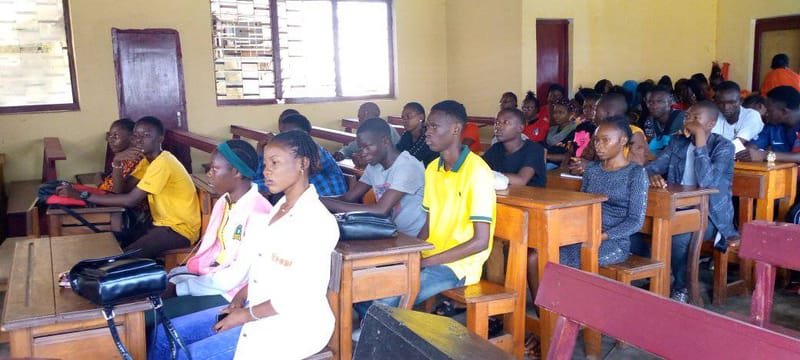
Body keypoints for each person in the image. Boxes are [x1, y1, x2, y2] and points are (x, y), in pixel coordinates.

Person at [149, 131, 338, 360]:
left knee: (190, 355)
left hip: (291, 325)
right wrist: (239, 298)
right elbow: (262, 267)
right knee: (163, 335)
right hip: (256, 306)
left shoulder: (316, 221)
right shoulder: (280, 208)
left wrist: (245, 315)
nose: (266, 171)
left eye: (275, 163)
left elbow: (297, 297)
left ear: (303, 163)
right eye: (265, 163)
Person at [357, 100, 496, 319]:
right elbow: (428, 226)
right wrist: (412, 255)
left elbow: (480, 241)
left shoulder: (477, 172)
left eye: (433, 127)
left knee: (385, 301)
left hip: (458, 265)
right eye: (427, 127)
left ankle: (378, 337)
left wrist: (425, 262)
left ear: (455, 129)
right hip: (429, 254)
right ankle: (382, 331)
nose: (427, 133)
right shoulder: (432, 169)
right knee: (363, 289)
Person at [525, 116, 648, 355]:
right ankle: (548, 325)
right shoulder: (592, 170)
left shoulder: (636, 174)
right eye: (596, 140)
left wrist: (603, 235)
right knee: (534, 257)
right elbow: (583, 207)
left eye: (605, 140)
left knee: (563, 266)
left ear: (623, 140)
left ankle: (556, 335)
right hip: (583, 235)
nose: (598, 145)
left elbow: (635, 221)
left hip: (612, 241)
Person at [57, 116, 200, 259]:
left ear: (160, 139)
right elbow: (120, 191)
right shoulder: (147, 162)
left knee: (125, 257)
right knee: (115, 242)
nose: (139, 140)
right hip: (160, 225)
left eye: (146, 135)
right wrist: (117, 162)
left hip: (180, 230)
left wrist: (81, 195)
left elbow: (130, 200)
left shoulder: (163, 163)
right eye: (136, 136)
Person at [640, 101, 738, 302]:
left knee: (679, 236)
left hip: (711, 215)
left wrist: (700, 140)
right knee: (640, 227)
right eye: (687, 117)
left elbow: (707, 182)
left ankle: (682, 287)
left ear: (710, 124)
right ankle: (658, 277)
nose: (689, 122)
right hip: (677, 206)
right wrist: (651, 176)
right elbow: (652, 168)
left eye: (696, 118)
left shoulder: (724, 147)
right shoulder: (678, 142)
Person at [167, 140, 272, 300]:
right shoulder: (224, 201)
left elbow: (236, 276)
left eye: (215, 169)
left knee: (161, 315)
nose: (209, 173)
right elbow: (215, 250)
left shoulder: (259, 214)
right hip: (213, 276)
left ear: (236, 172)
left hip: (234, 295)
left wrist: (181, 289)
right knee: (162, 284)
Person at [322, 118, 426, 237]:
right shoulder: (374, 166)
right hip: (389, 233)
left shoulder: (407, 166)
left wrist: (328, 203)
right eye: (361, 148)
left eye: (367, 147)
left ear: (385, 141)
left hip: (412, 237)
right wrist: (317, 199)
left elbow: (381, 210)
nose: (363, 153)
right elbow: (348, 198)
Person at [256, 114, 347, 197]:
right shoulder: (289, 159)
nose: (285, 138)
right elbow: (261, 177)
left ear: (304, 134)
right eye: (283, 134)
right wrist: (261, 149)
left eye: (291, 134)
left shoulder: (314, 150)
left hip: (332, 202)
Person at [483, 108, 547, 187]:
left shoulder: (534, 149)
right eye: (496, 123)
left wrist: (487, 176)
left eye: (506, 122)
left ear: (520, 128)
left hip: (529, 197)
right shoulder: (495, 148)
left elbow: (521, 180)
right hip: (503, 196)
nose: (498, 127)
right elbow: (479, 168)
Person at [743, 86, 800, 159]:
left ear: (784, 112)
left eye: (769, 111)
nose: (765, 113)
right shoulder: (771, 126)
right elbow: (751, 148)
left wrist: (763, 155)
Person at [334, 102, 401, 163]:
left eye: (360, 117)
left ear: (366, 114)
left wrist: (363, 157)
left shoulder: (385, 129)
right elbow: (352, 147)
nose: (359, 122)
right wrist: (342, 153)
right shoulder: (367, 131)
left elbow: (383, 155)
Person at [712, 81, 764, 151]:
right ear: (716, 102)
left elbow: (736, 145)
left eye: (731, 102)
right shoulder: (715, 115)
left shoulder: (752, 115)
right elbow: (712, 144)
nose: (726, 107)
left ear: (741, 100)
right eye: (721, 103)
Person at [642, 85, 686, 154]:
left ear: (670, 101)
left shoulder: (683, 118)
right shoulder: (650, 121)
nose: (654, 106)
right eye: (651, 102)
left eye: (659, 101)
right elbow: (650, 145)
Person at [544, 97, 576, 169]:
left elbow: (570, 155)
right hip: (546, 161)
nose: (556, 115)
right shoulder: (552, 130)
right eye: (555, 112)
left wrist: (547, 156)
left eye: (561, 112)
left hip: (561, 166)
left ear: (570, 114)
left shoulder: (574, 131)